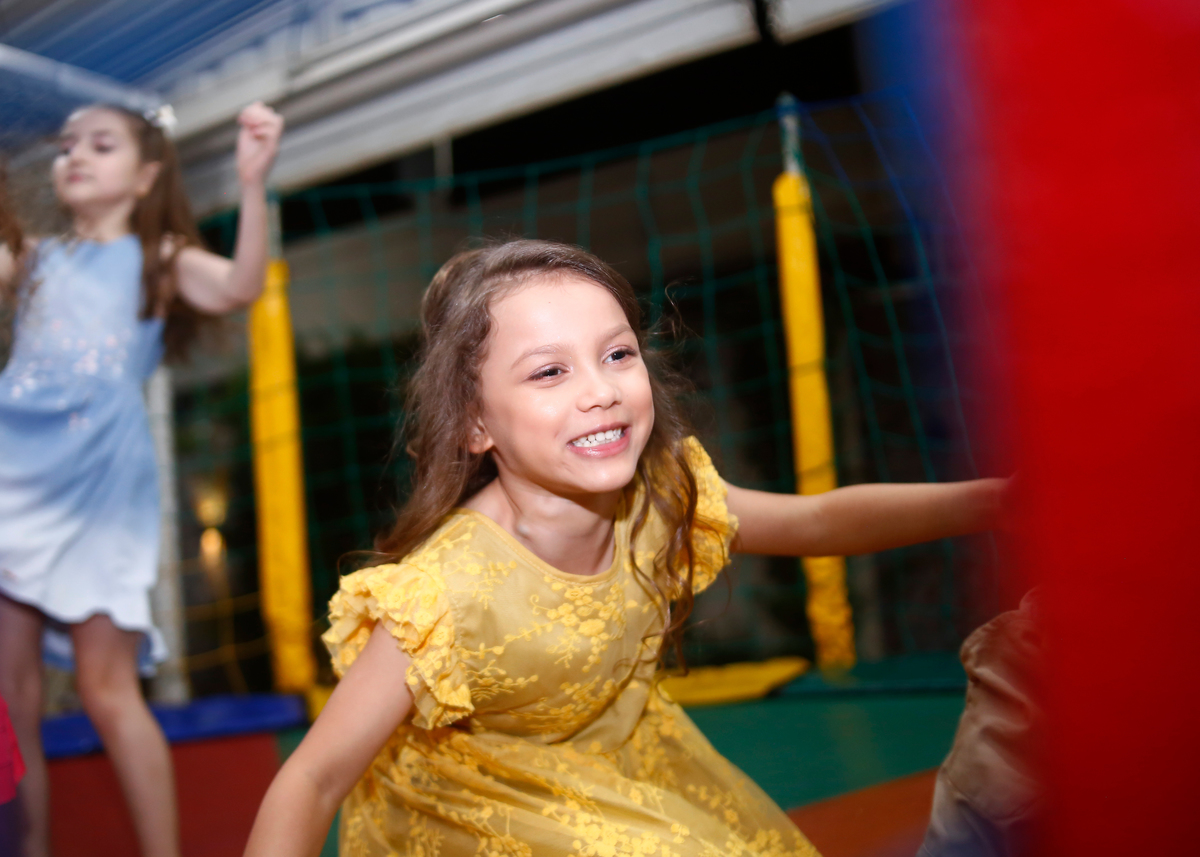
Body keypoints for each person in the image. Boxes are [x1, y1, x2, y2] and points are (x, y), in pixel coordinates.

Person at [243, 240, 1008, 857]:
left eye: (617, 354)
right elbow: (312, 777)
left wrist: (993, 500)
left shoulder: (661, 493)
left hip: (622, 755)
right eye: (549, 371)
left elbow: (815, 523)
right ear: (477, 425)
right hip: (484, 807)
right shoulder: (447, 591)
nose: (601, 389)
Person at [0, 101, 284, 857]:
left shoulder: (159, 257)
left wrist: (252, 182)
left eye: (101, 144)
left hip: (99, 488)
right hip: (14, 477)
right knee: (14, 695)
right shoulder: (30, 258)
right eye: (65, 146)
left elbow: (238, 285)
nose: (76, 156)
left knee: (105, 687)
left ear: (147, 174)